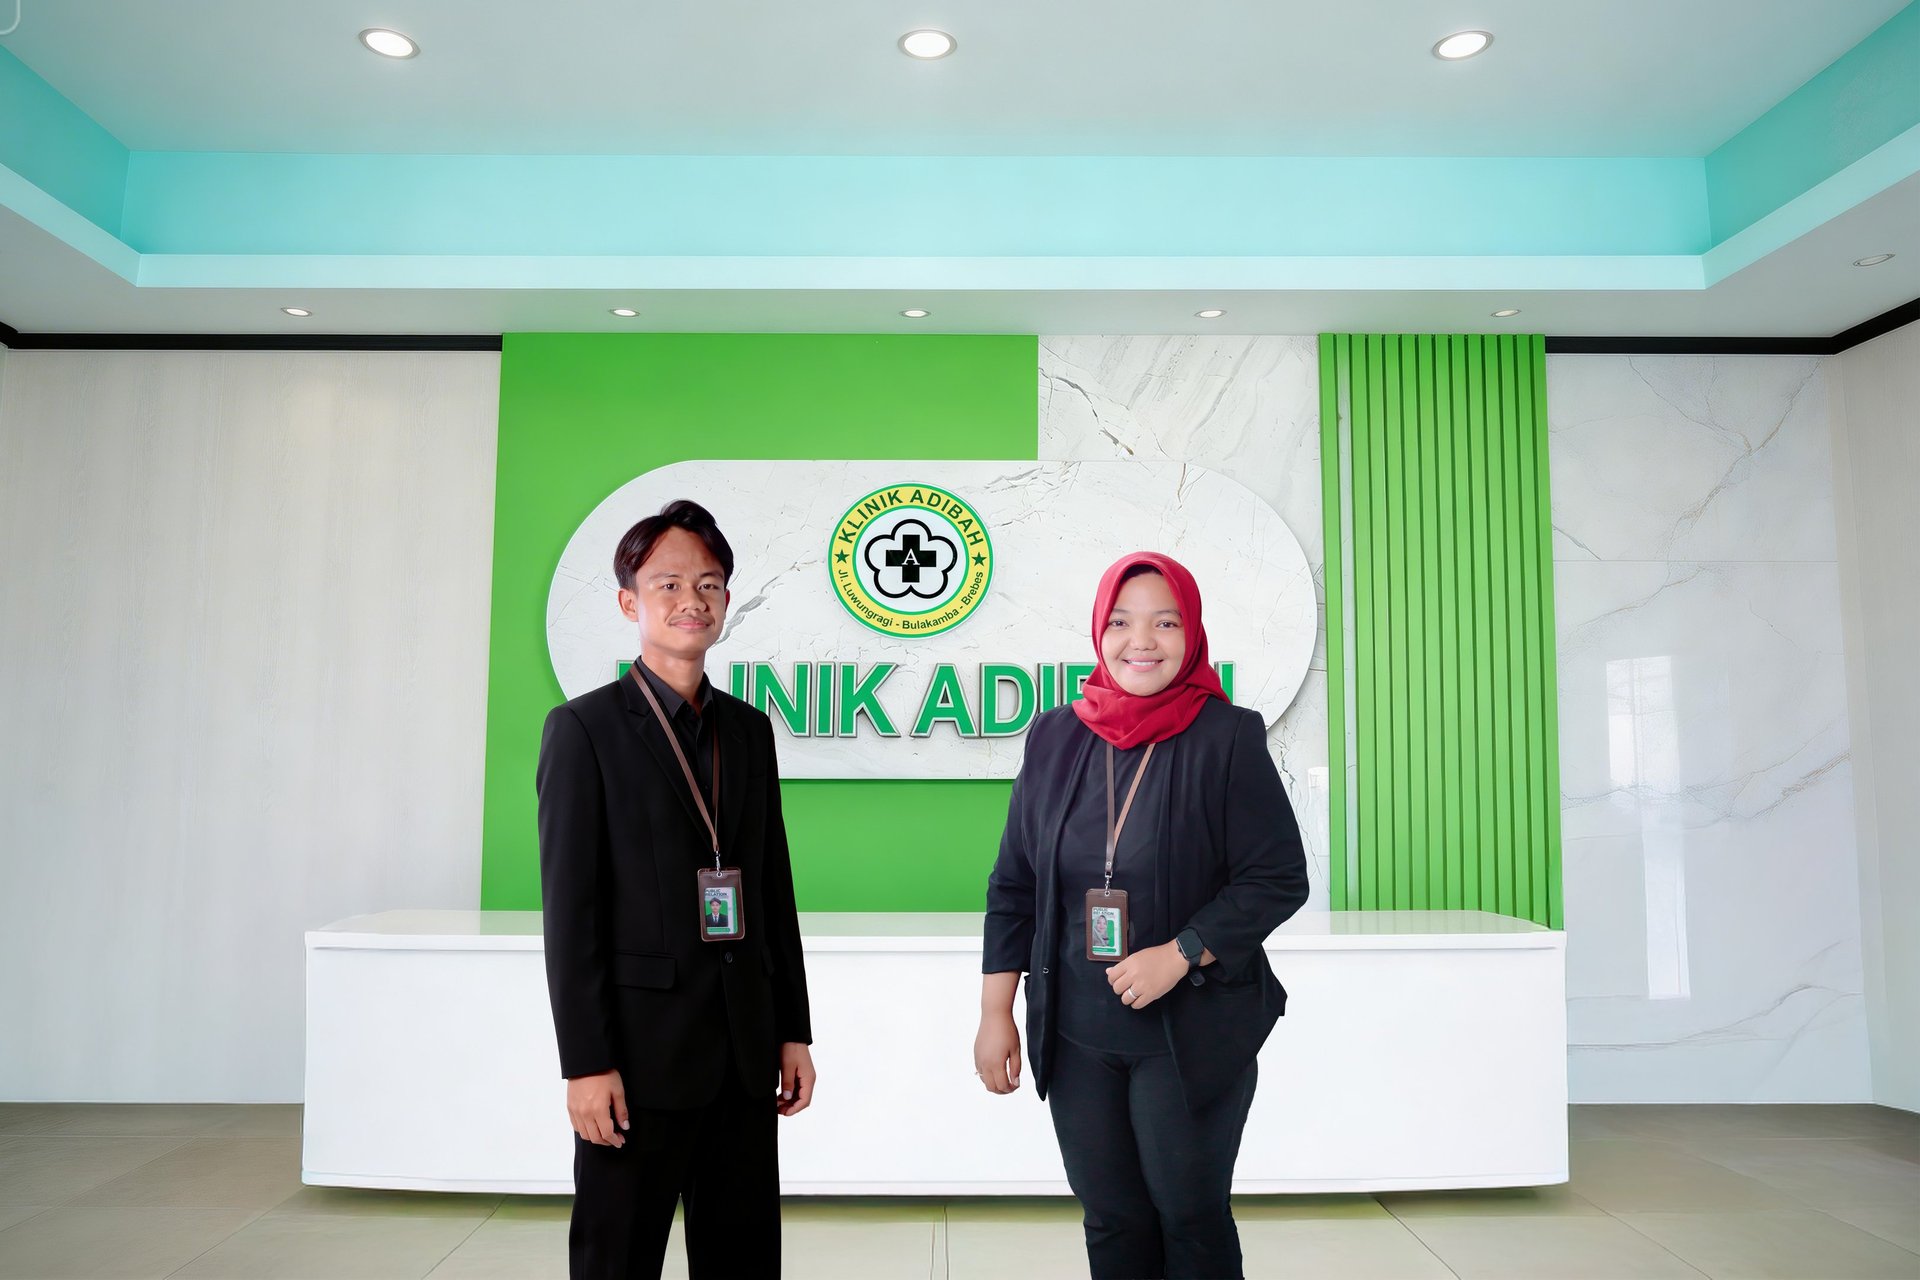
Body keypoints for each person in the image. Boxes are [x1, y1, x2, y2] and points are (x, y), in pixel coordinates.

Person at [974, 552, 1308, 1280]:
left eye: (1165, 622)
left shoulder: (1228, 737)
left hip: (1188, 1027)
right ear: (1100, 632)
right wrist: (996, 1010)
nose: (1142, 641)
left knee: (1188, 1214)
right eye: (1122, 622)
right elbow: (1014, 883)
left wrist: (1182, 951)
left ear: (1191, 635)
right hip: (1076, 1030)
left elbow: (1278, 877)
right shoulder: (1055, 735)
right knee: (1112, 1218)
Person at [538, 498, 816, 1279]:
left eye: (709, 583)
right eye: (667, 584)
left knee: (742, 1258)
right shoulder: (582, 730)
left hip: (742, 1050)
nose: (691, 600)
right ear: (630, 602)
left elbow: (770, 890)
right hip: (636, 1059)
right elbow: (571, 916)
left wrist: (792, 1029)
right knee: (617, 1259)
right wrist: (584, 1064)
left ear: (727, 599)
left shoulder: (749, 731)